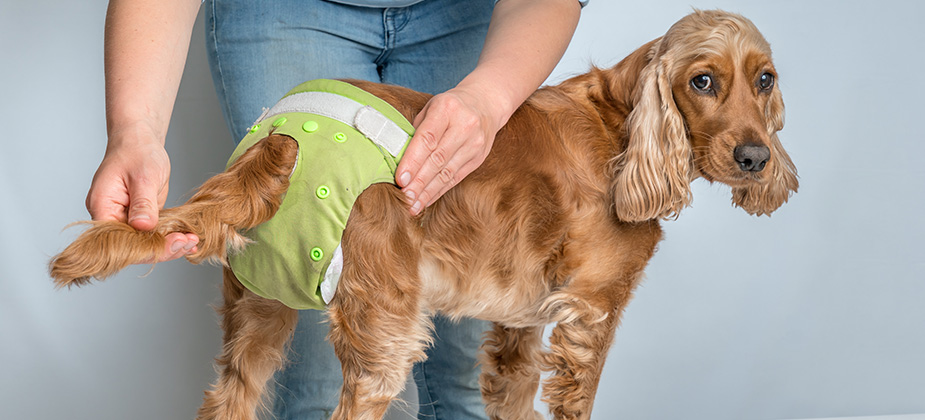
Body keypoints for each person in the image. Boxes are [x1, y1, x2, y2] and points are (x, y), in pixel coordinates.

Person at [88, 0, 583, 418]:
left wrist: (489, 99)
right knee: (311, 356)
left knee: (468, 367)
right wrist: (135, 131)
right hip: (282, 12)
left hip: (475, 16)